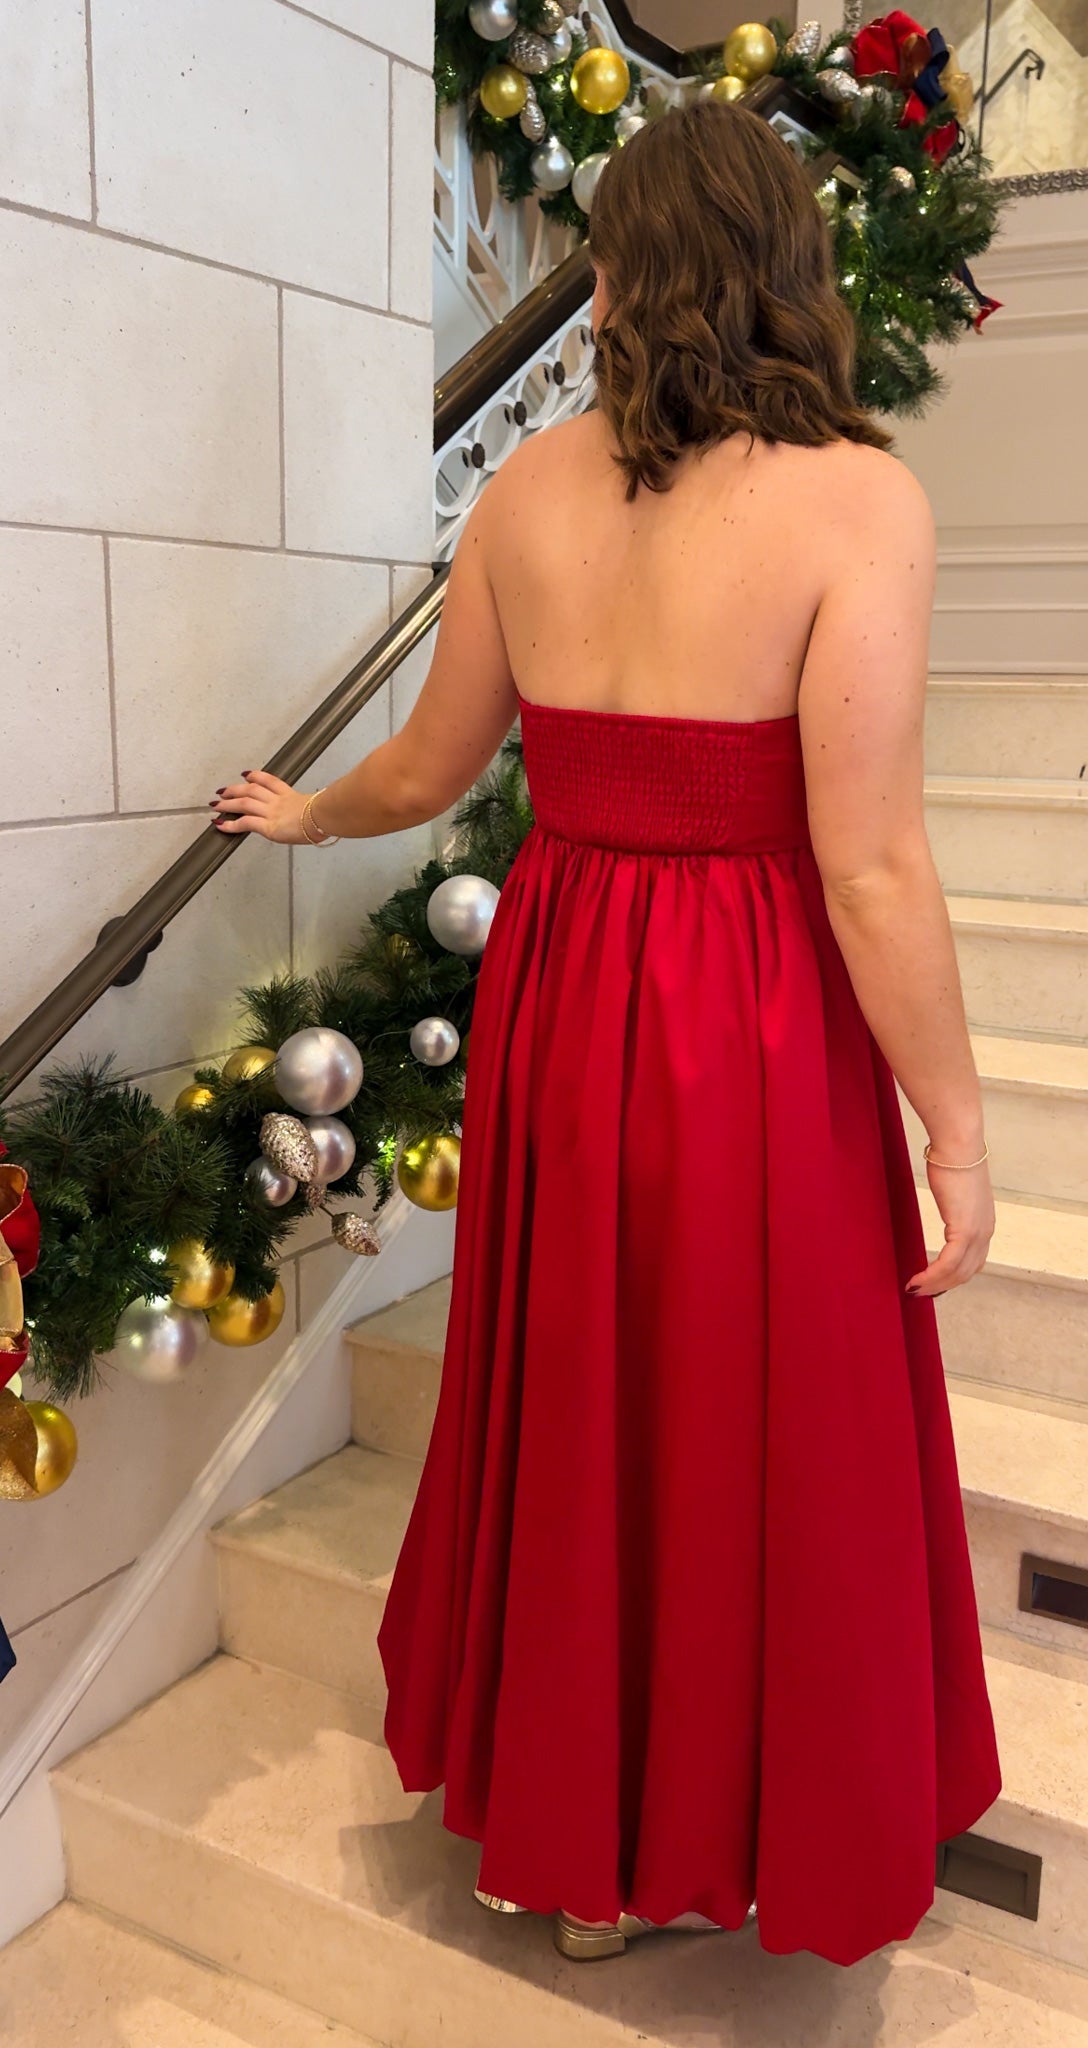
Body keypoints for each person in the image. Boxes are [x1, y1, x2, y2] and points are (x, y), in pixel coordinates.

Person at [212, 99, 1001, 1968]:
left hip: (567, 988)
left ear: (620, 283)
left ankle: (565, 1837)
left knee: (577, 1397)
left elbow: (430, 768)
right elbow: (869, 864)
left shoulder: (524, 498)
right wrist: (957, 1127)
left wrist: (305, 816)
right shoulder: (859, 502)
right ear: (791, 265)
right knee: (745, 1410)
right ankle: (704, 1834)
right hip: (754, 1009)